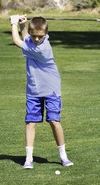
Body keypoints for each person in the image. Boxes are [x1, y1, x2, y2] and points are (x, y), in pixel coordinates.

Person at [10, 15, 73, 169]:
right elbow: (26, 39)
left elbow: (18, 42)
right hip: (33, 90)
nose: (37, 39)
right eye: (34, 36)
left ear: (46, 34)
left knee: (54, 121)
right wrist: (23, 26)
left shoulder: (43, 48)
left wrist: (13, 23)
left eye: (40, 36)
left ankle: (63, 156)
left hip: (51, 89)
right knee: (30, 122)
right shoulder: (32, 41)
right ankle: (29, 159)